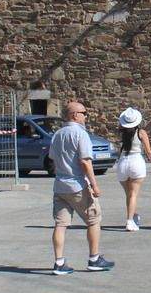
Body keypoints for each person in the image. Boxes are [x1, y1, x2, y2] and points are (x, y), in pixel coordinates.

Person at [47, 100, 113, 275]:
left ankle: (59, 262)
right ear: (74, 115)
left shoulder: (57, 134)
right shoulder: (80, 134)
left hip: (60, 185)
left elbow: (52, 157)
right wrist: (94, 185)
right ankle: (94, 258)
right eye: (84, 113)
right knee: (93, 219)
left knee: (60, 224)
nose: (86, 116)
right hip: (77, 185)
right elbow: (85, 161)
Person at [115, 108, 151, 232]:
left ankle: (133, 215)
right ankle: (130, 221)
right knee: (133, 194)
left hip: (122, 162)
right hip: (136, 161)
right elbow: (148, 151)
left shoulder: (121, 132)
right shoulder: (141, 132)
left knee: (129, 194)